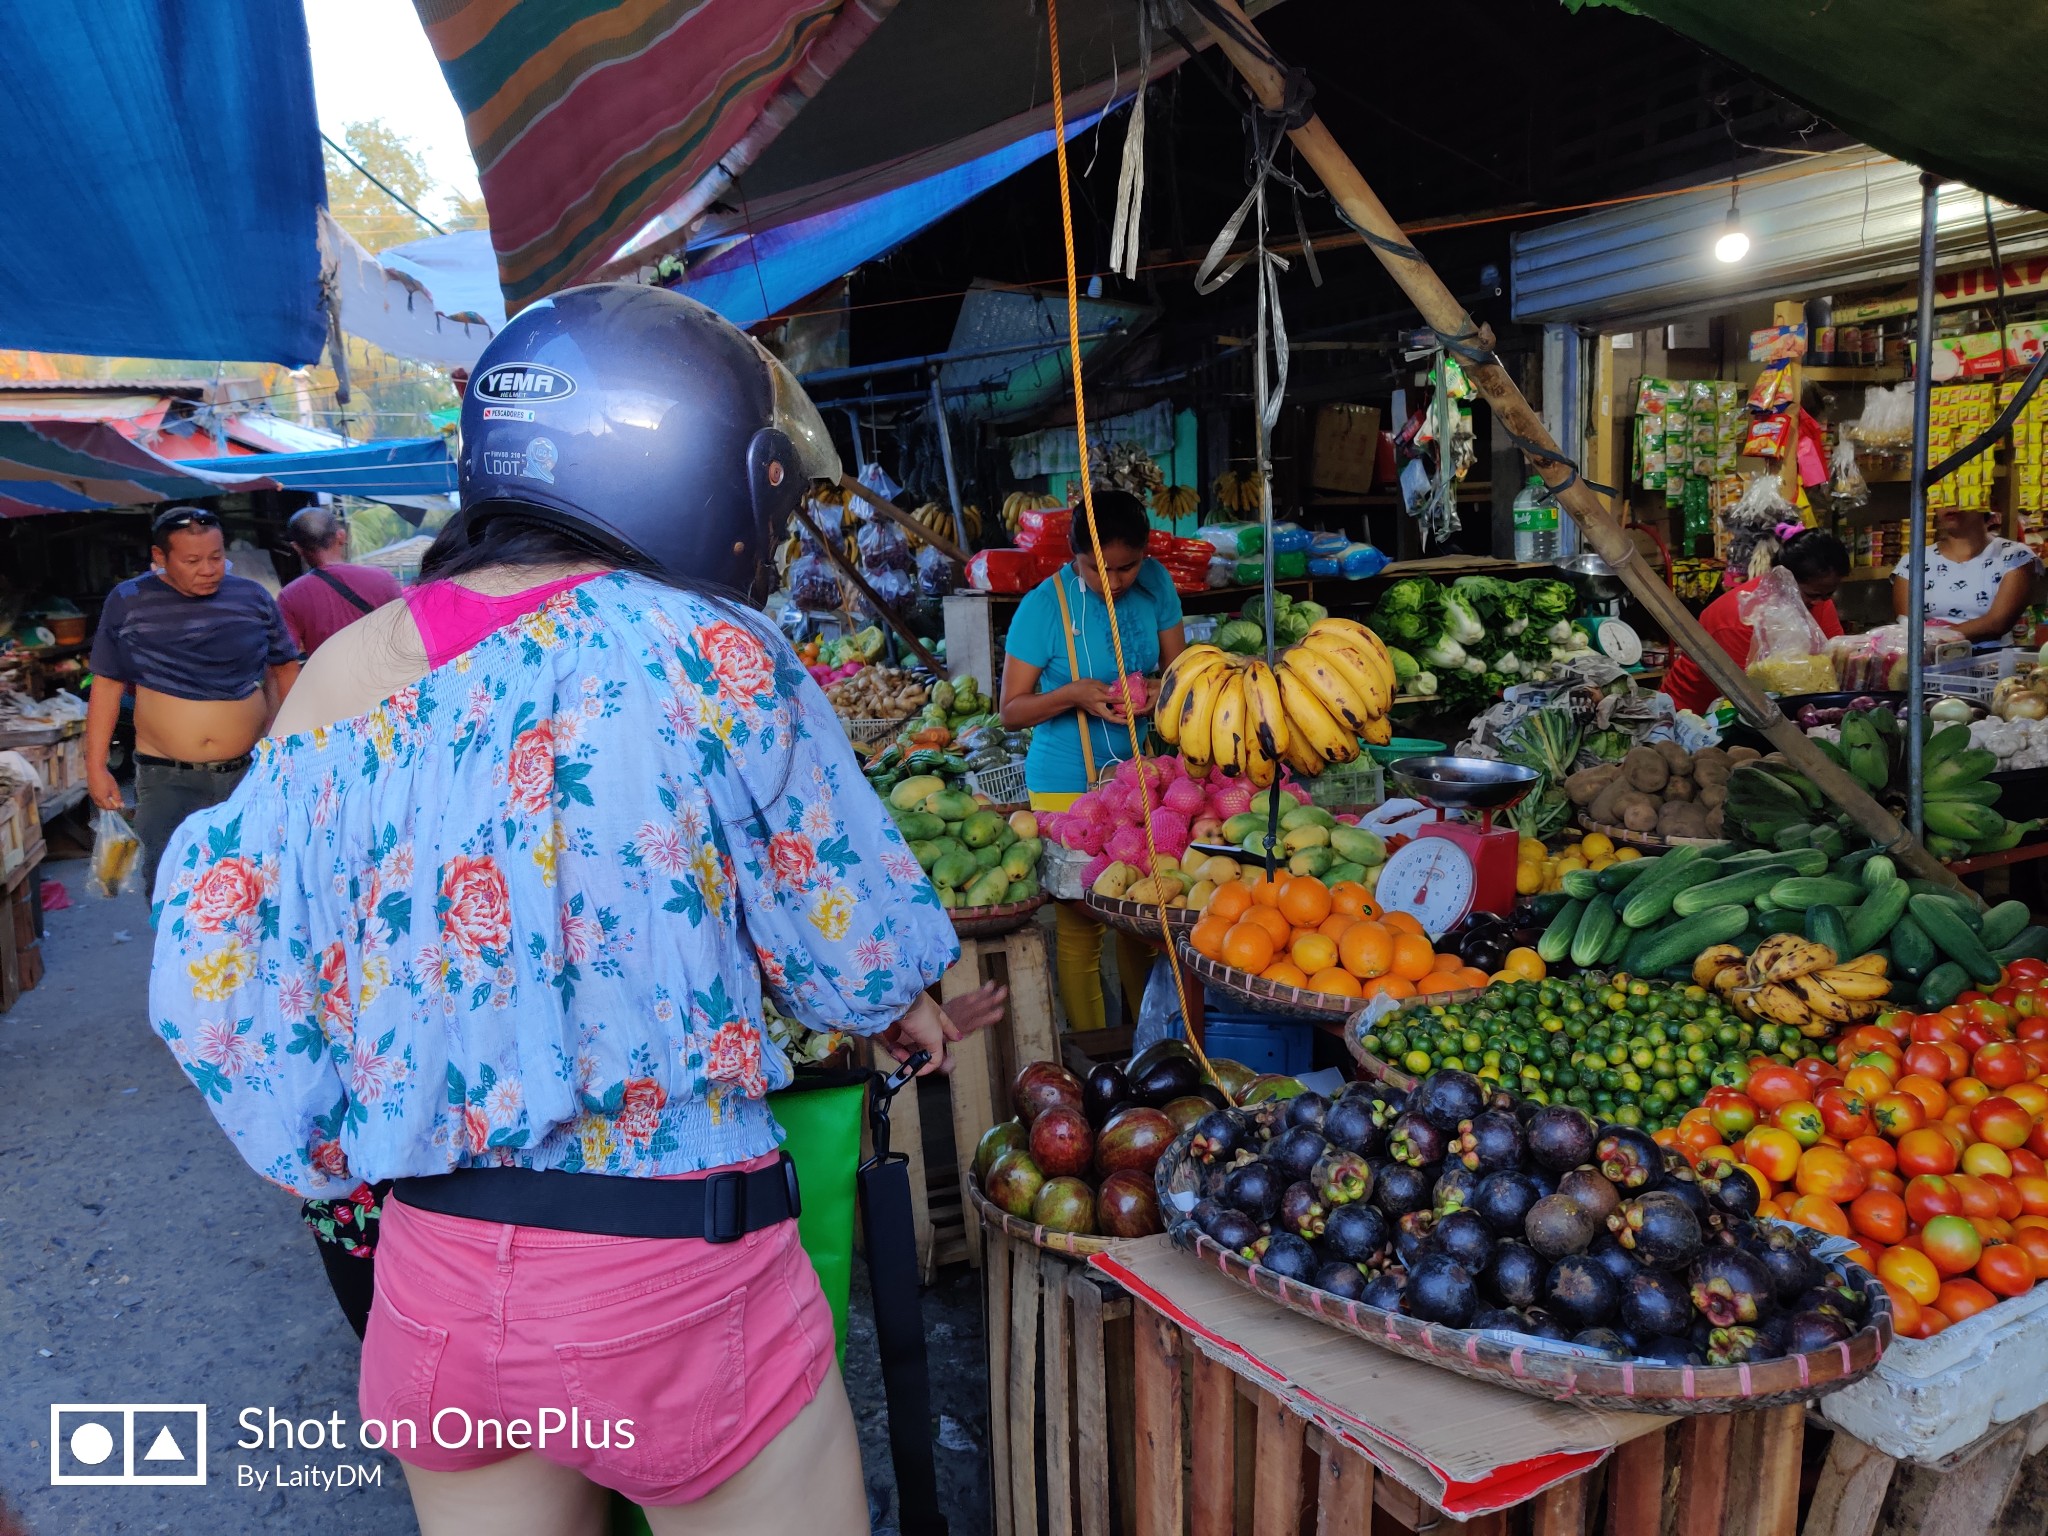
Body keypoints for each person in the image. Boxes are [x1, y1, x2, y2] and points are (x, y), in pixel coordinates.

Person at [148, 286, 1004, 1535]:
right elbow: (850, 948)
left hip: (435, 1284)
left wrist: (330, 1149)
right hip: (679, 1272)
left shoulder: (342, 674)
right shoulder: (714, 647)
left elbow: (213, 973)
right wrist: (902, 1008)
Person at [999, 489, 1186, 1032]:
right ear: (1074, 555)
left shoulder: (1157, 588)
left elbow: (1181, 677)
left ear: (1145, 555)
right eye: (1098, 568)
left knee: (1141, 918)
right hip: (1064, 783)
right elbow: (1010, 710)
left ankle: (1148, 1047)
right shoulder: (1042, 608)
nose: (1115, 581)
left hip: (1140, 778)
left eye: (1128, 567)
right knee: (1083, 926)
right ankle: (1094, 1056)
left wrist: (1156, 689)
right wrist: (1074, 695)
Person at [86, 506, 301, 893]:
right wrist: (96, 766)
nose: (208, 569)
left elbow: (285, 671)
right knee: (170, 890)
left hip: (249, 773)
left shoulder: (252, 597)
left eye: (216, 557)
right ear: (160, 558)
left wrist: (290, 742)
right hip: (167, 779)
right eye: (192, 561)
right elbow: (106, 684)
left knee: (255, 887)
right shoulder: (129, 600)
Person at [1662, 528, 1850, 715]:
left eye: (1828, 594)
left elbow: (1836, 664)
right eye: (1812, 594)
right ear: (1782, 579)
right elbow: (1745, 696)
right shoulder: (1739, 616)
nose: (1820, 602)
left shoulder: (1819, 602)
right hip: (1693, 715)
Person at [1892, 508, 2041, 643]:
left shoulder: (2015, 556)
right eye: (1944, 495)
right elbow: (1907, 627)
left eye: (1961, 495)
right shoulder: (1913, 561)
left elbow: (1997, 624)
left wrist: (1932, 637)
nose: (1950, 505)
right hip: (1931, 663)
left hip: (1991, 664)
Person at [275, 505, 403, 656]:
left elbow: (285, 657)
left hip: (328, 678)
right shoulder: (383, 578)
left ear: (296, 548)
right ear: (341, 536)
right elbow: (404, 636)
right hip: (383, 675)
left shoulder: (290, 596)